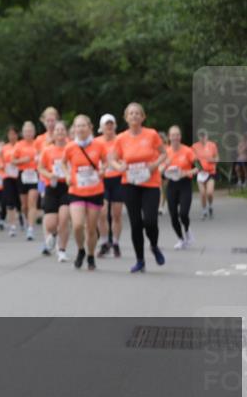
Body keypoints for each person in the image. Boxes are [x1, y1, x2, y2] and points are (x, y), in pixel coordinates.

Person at [108, 102, 168, 273]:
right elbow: (112, 158)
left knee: (150, 220)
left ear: (143, 117)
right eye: (131, 113)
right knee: (135, 223)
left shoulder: (152, 134)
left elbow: (164, 153)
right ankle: (140, 260)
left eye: (137, 113)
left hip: (150, 183)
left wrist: (154, 165)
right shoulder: (121, 138)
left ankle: (154, 246)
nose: (134, 116)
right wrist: (118, 167)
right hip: (130, 184)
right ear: (126, 118)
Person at [62, 115, 108, 270]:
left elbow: (106, 161)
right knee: (77, 225)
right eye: (77, 126)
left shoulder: (99, 145)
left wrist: (102, 169)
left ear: (90, 127)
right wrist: (67, 174)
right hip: (76, 190)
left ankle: (90, 255)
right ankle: (81, 249)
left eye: (83, 126)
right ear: (74, 129)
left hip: (95, 191)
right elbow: (63, 163)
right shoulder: (70, 147)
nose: (80, 129)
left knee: (91, 227)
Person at [37, 121, 71, 262]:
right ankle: (53, 234)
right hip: (52, 185)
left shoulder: (71, 148)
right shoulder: (47, 150)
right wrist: (50, 175)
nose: (60, 133)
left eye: (62, 130)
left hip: (67, 187)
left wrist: (70, 174)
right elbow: (40, 167)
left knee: (63, 219)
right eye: (57, 130)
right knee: (51, 224)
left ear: (66, 133)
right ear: (54, 133)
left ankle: (62, 250)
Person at [163, 126, 198, 249]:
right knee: (173, 215)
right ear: (169, 137)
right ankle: (180, 239)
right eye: (172, 135)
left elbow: (199, 167)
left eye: (177, 135)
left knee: (183, 213)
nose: (175, 138)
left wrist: (189, 172)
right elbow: (160, 169)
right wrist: (163, 168)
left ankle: (187, 231)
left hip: (185, 184)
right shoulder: (166, 152)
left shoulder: (188, 151)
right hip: (172, 184)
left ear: (180, 137)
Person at [95, 114, 125, 258]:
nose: (109, 127)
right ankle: (104, 242)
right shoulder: (95, 142)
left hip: (118, 179)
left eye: (111, 124)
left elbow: (127, 157)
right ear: (101, 127)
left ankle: (116, 243)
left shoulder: (120, 141)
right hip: (102, 181)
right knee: (102, 213)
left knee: (117, 214)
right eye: (106, 125)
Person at [12, 121, 41, 241]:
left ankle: (30, 228)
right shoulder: (19, 145)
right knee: (24, 205)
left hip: (35, 174)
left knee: (32, 201)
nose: (28, 133)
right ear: (23, 133)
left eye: (30, 131)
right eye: (26, 131)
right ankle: (25, 218)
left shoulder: (38, 144)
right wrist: (23, 160)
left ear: (34, 132)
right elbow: (13, 161)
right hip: (23, 175)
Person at [192, 130, 219, 219]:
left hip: (211, 172)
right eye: (200, 136)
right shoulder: (195, 146)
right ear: (198, 137)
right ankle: (204, 211)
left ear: (207, 136)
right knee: (203, 193)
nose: (202, 138)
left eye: (204, 136)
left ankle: (210, 206)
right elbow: (192, 159)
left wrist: (213, 160)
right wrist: (197, 166)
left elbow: (217, 158)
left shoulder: (212, 145)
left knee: (209, 193)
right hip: (200, 173)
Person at [1, 126, 21, 237]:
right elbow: (1, 162)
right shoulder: (4, 148)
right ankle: (12, 225)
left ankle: (21, 216)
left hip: (19, 175)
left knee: (20, 202)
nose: (12, 136)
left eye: (14, 134)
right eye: (10, 134)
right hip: (7, 176)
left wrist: (16, 162)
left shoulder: (20, 146)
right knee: (9, 202)